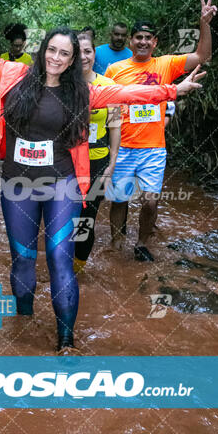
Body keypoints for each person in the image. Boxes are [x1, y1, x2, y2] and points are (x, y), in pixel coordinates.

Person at [0, 0, 206, 352]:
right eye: (52, 50)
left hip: (62, 185)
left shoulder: (85, 92)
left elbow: (129, 92)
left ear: (74, 60)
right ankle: (24, 323)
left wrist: (174, 89)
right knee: (23, 260)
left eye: (65, 54)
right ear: (43, 49)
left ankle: (65, 342)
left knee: (61, 259)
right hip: (17, 186)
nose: (56, 58)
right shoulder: (12, 75)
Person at [105, 0, 217, 262]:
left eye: (148, 38)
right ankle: (117, 243)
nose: (143, 42)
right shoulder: (114, 69)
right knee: (119, 200)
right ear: (131, 41)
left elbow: (204, 56)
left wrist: (204, 24)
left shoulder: (166, 64)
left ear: (155, 42)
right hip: (123, 147)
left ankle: (142, 243)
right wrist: (112, 148)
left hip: (153, 148)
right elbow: (110, 111)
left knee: (150, 201)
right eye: (138, 37)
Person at [73, 30, 121, 273]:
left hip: (97, 163)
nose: (83, 56)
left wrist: (112, 165)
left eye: (88, 51)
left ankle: (77, 268)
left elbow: (115, 127)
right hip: (66, 164)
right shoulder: (62, 85)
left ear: (95, 54)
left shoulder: (108, 86)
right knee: (60, 217)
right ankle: (60, 263)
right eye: (78, 52)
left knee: (86, 217)